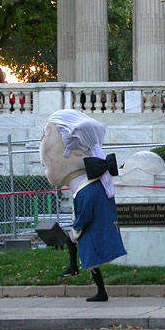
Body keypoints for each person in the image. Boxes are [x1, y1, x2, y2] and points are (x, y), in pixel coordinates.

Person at [39, 109, 127, 302]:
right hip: (90, 232)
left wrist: (76, 230)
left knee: (85, 255)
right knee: (90, 261)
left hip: (90, 232)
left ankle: (79, 272)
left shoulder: (88, 190)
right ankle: (89, 281)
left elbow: (86, 214)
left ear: (77, 152)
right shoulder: (90, 187)